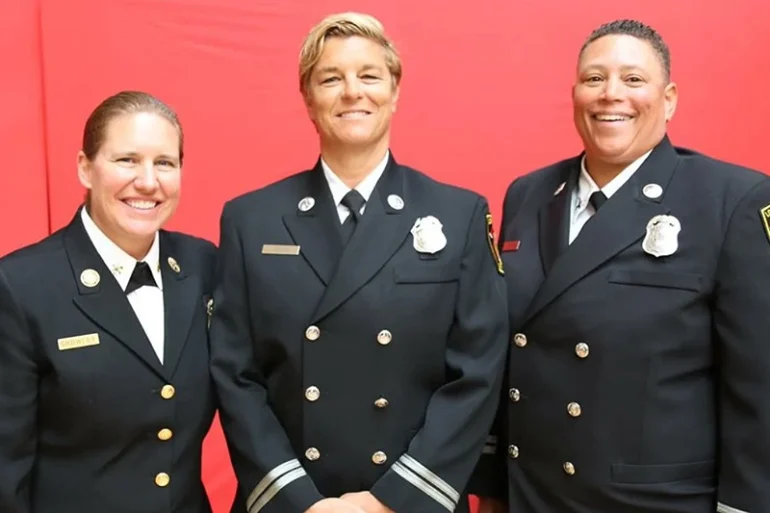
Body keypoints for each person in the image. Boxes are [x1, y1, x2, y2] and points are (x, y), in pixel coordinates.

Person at [209, 11, 508, 513]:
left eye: (369, 76)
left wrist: (390, 501)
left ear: (395, 92)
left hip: (409, 500)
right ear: (308, 98)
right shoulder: (251, 220)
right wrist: (299, 500)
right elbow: (234, 375)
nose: (353, 92)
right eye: (331, 78)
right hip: (294, 500)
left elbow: (478, 372)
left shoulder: (458, 215)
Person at [471, 18, 770, 513]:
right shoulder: (529, 194)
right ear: (574, 94)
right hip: (535, 495)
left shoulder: (731, 200)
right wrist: (495, 487)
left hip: (653, 500)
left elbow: (760, 386)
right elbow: (507, 357)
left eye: (633, 79)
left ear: (669, 98)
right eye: (594, 79)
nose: (611, 94)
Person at [0, 91, 218, 513]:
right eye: (127, 160)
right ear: (85, 168)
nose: (148, 181)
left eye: (165, 163)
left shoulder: (203, 265)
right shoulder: (20, 285)